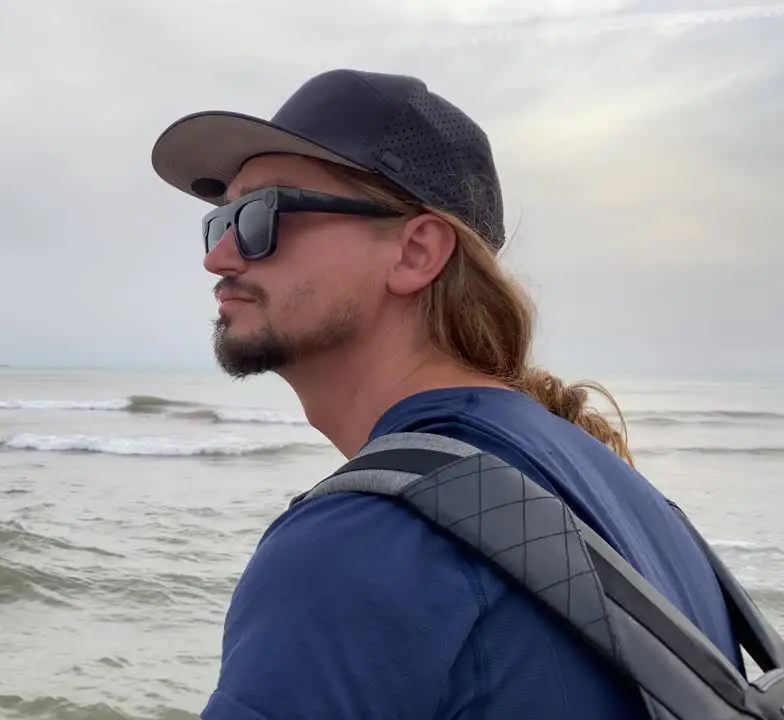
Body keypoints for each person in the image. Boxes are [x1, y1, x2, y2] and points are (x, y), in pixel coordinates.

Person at [149, 69, 742, 719]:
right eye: (219, 221)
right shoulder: (642, 511)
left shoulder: (356, 547)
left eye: (261, 215)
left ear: (416, 253)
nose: (220, 256)